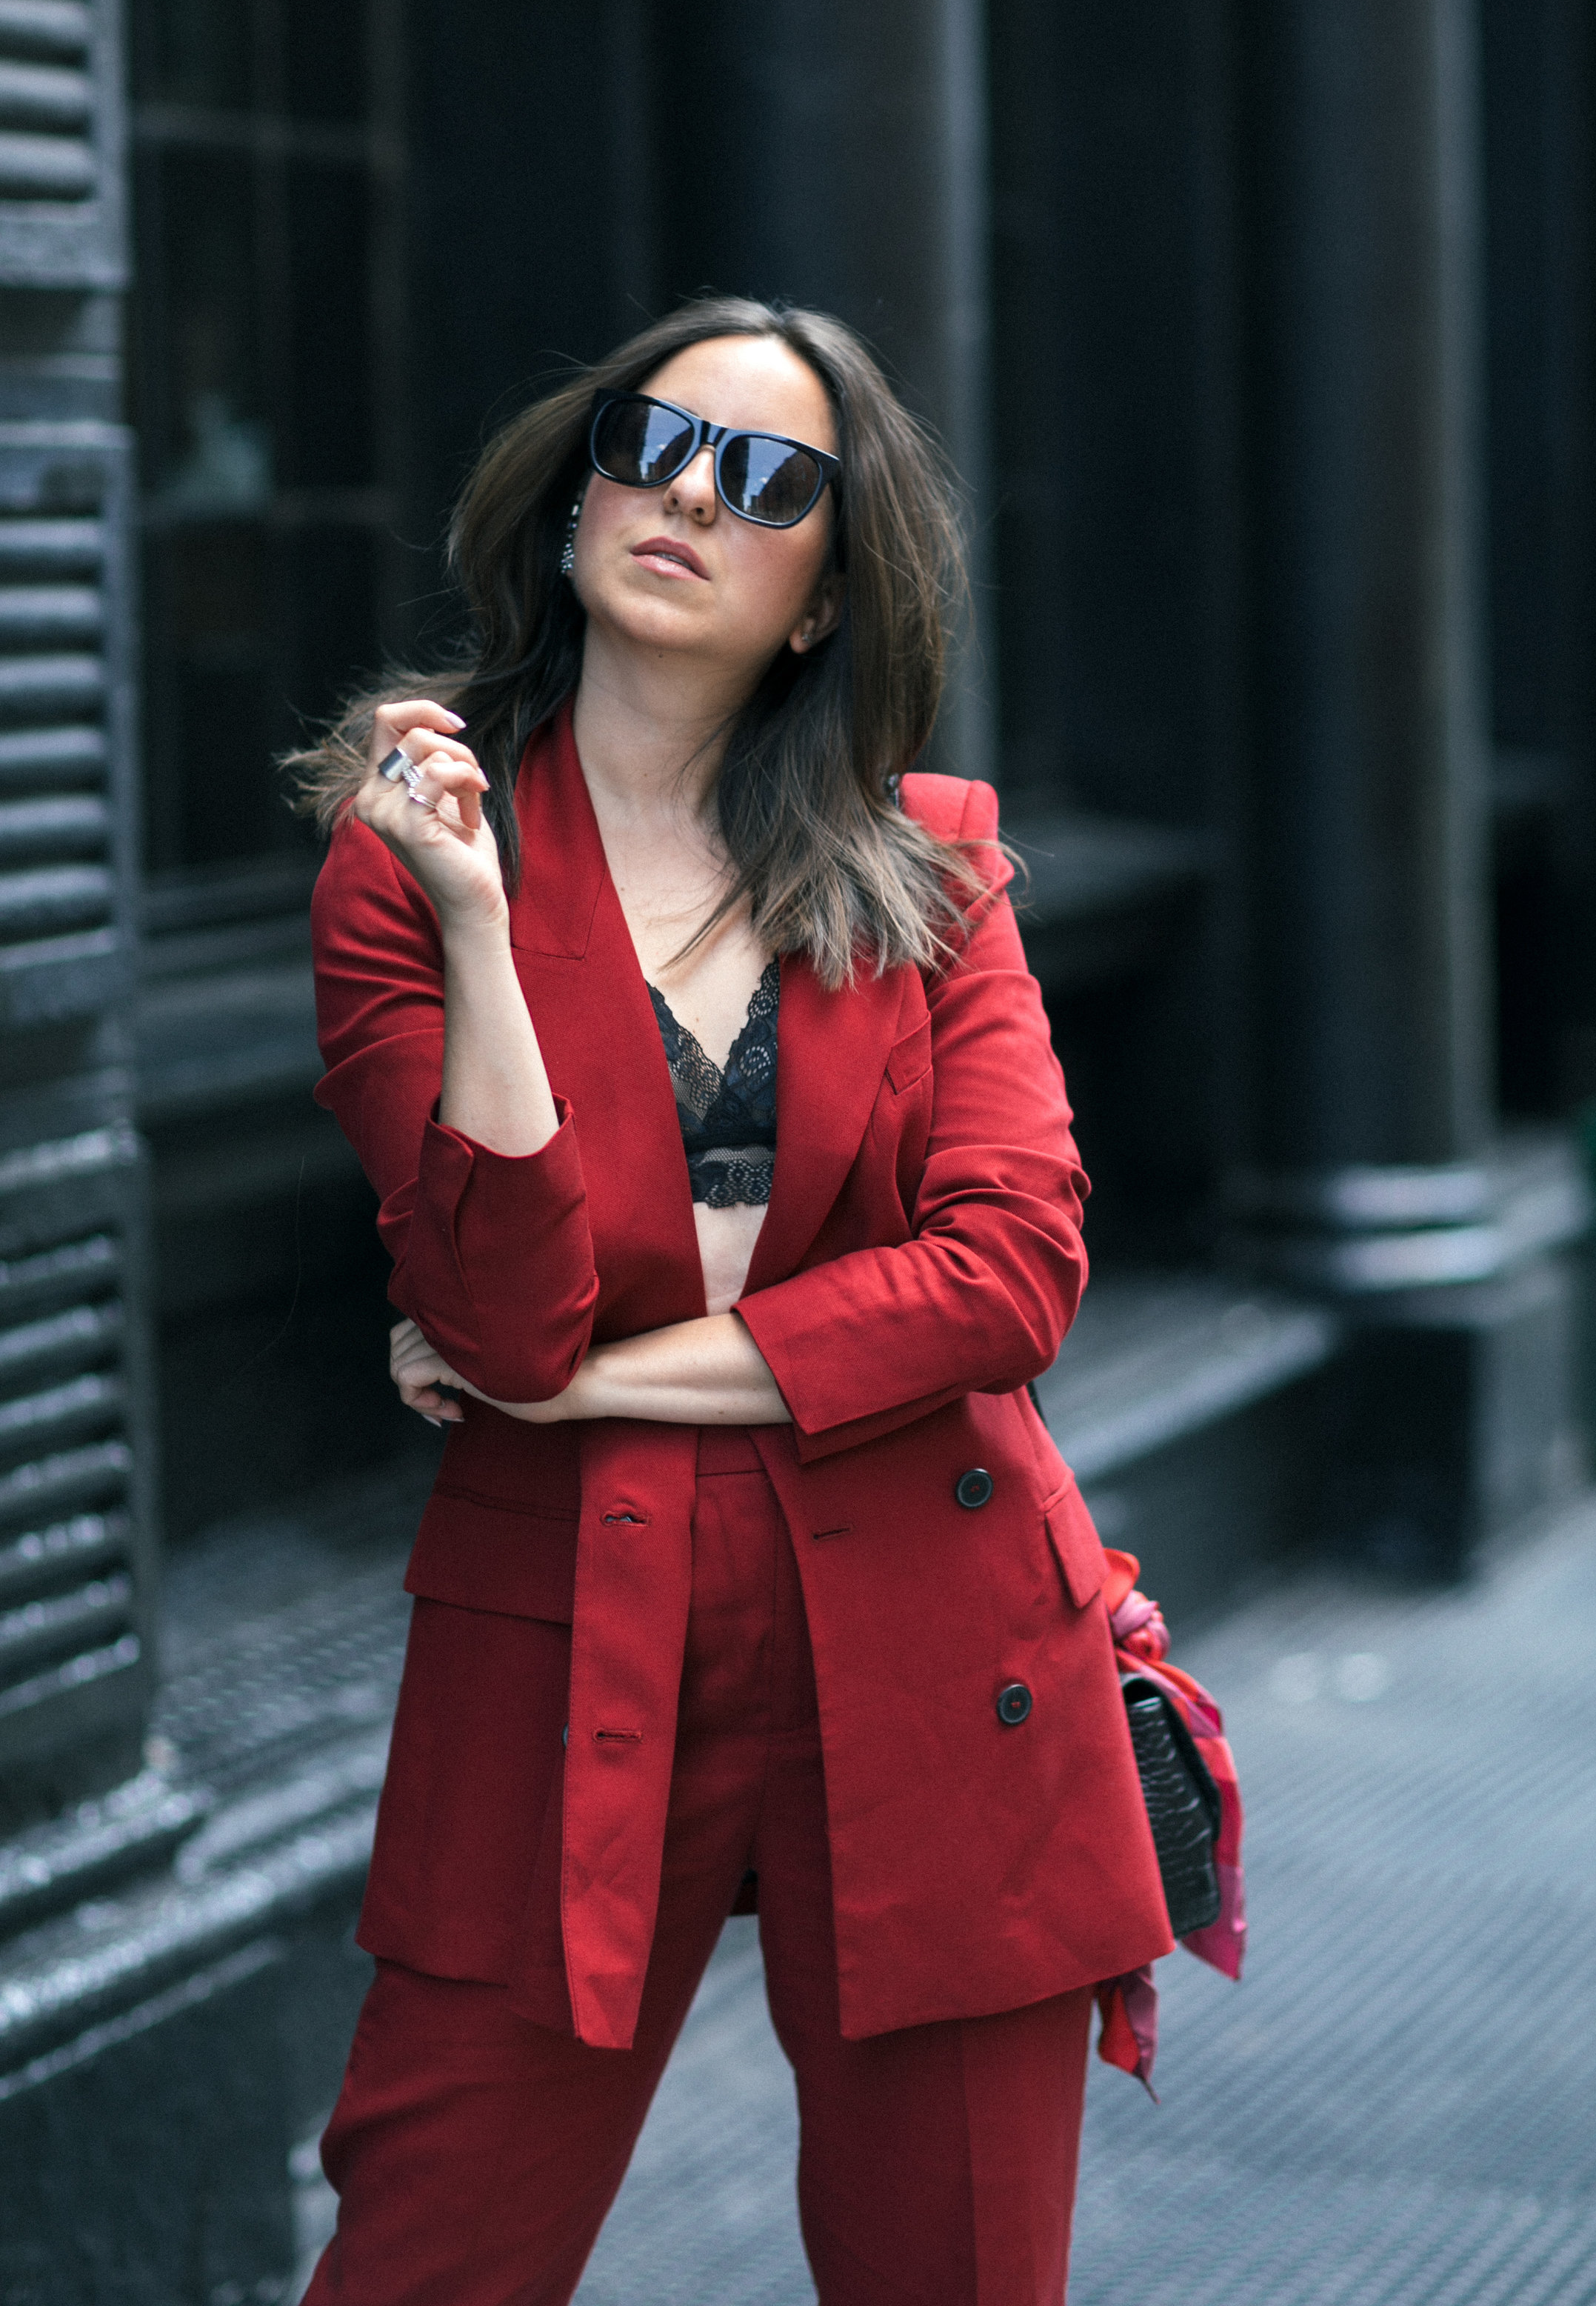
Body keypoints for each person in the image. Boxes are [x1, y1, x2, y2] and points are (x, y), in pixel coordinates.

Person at [290, 296, 1171, 2305]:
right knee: (430, 2255)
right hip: (565, 1638)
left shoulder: (931, 868)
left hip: (947, 1641)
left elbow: (1014, 1274)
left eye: (768, 479)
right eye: (649, 439)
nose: (688, 491)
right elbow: (503, 1317)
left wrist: (565, 1390)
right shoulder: (406, 863)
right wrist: (481, 936)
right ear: (580, 485)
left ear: (816, 602)